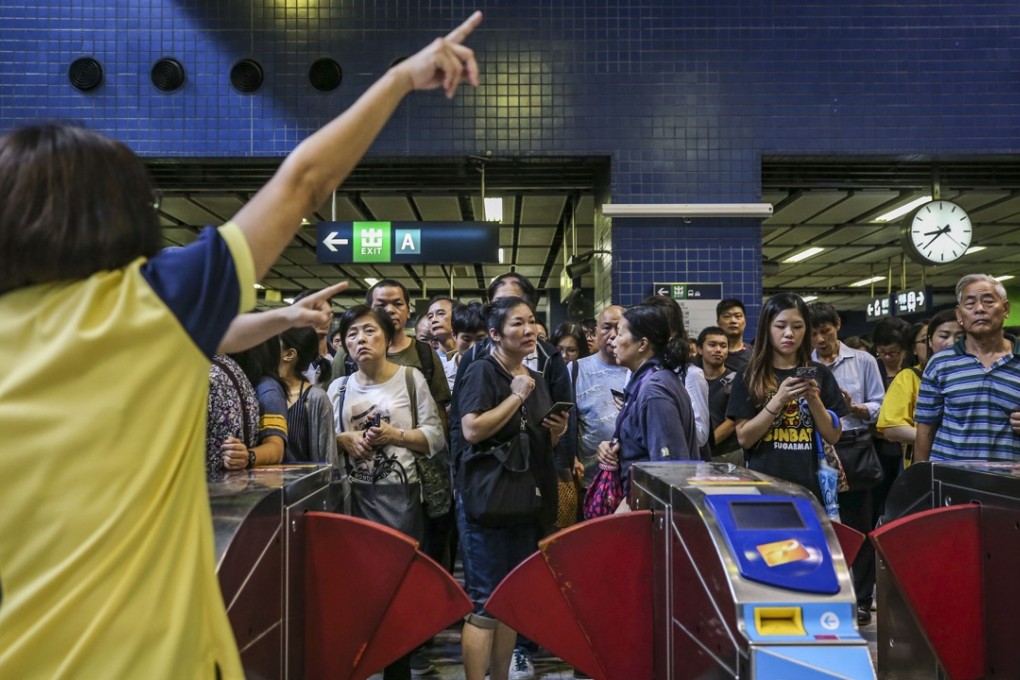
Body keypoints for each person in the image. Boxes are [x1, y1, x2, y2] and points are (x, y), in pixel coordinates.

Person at [0, 13, 481, 677]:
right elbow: (303, 182)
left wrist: (284, 316)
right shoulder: (150, 301)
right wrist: (400, 78)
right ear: (115, 216)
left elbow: (212, 334)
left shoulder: (133, 322)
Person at [328, 305, 446, 680]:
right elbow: (325, 444)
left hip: (403, 500)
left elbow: (436, 437)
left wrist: (396, 436)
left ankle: (399, 670)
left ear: (387, 336)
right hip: (355, 502)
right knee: (361, 598)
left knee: (398, 595)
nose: (360, 340)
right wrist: (343, 440)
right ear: (344, 345)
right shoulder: (339, 387)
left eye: (369, 331)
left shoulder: (410, 379)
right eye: (352, 335)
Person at [456, 296, 569, 680]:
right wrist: (517, 395)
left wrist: (555, 433)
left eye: (533, 322)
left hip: (525, 500)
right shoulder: (483, 371)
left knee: (510, 599)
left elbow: (527, 440)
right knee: (486, 603)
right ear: (494, 334)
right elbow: (472, 429)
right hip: (486, 502)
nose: (530, 330)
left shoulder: (530, 376)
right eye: (517, 323)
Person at [808, 301, 885, 625]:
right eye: (812, 334)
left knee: (859, 527)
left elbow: (880, 404)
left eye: (824, 331)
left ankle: (863, 598)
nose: (820, 340)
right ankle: (825, 594)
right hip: (815, 450)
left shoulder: (863, 360)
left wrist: (856, 407)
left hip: (854, 449)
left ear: (838, 325)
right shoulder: (804, 364)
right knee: (821, 526)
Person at [726, 293, 845, 501]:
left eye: (797, 327)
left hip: (810, 488)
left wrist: (813, 398)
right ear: (767, 328)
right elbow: (744, 438)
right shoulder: (750, 374)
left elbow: (833, 436)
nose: (789, 334)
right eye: (780, 326)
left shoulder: (819, 373)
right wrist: (778, 399)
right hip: (763, 487)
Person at [595, 303, 700, 492]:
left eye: (620, 334)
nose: (613, 341)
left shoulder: (655, 391)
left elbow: (670, 470)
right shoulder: (649, 380)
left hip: (648, 509)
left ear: (642, 344)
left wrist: (633, 507)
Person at [915, 274, 1020, 462]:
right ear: (959, 314)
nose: (979, 309)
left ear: (1005, 309)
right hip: (951, 481)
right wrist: (921, 482)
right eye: (970, 304)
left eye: (988, 302)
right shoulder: (940, 364)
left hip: (1008, 484)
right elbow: (925, 430)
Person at [877, 311, 963, 466]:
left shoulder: (973, 373)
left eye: (960, 337)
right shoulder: (909, 377)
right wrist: (943, 439)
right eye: (943, 336)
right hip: (925, 464)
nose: (951, 343)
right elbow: (891, 428)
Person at [573, 306, 628, 489]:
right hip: (587, 482)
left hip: (628, 479)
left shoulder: (638, 371)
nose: (613, 334)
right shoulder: (575, 370)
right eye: (606, 327)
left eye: (619, 328)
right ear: (596, 332)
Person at [280, 326, 338, 464]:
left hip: (304, 484)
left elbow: (327, 459)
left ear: (289, 354)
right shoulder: (262, 392)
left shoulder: (316, 398)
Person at [697, 325, 742, 464]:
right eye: (712, 345)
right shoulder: (692, 379)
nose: (718, 350)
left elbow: (732, 422)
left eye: (723, 346)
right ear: (700, 349)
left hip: (728, 454)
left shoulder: (736, 379)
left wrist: (705, 446)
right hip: (698, 452)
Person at [717, 298, 752, 373]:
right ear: (718, 322)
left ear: (745, 322)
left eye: (738, 316)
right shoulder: (711, 355)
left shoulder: (755, 355)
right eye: (727, 316)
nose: (733, 320)